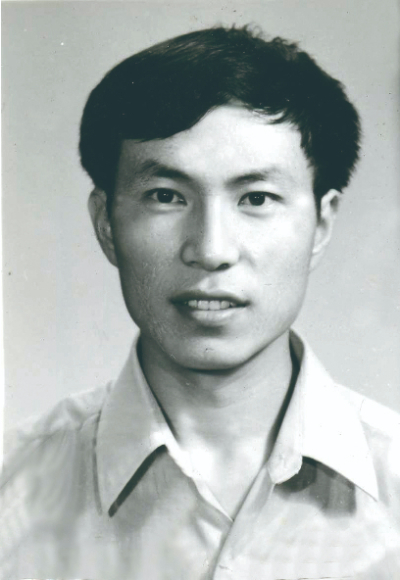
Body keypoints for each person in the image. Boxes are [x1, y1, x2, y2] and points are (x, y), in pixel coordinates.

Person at [1, 25, 399, 580]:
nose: (211, 250)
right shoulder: (12, 488)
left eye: (256, 198)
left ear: (322, 224)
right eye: (166, 196)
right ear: (106, 223)